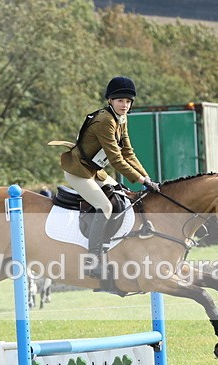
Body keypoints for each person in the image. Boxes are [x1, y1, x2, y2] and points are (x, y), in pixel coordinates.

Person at [59, 76, 159, 279]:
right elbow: (116, 159)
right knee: (105, 206)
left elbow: (128, 153)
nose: (125, 105)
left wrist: (147, 177)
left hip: (95, 171)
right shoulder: (105, 120)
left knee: (123, 195)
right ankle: (93, 260)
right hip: (78, 171)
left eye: (128, 101)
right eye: (120, 100)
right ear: (110, 101)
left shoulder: (121, 118)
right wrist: (142, 181)